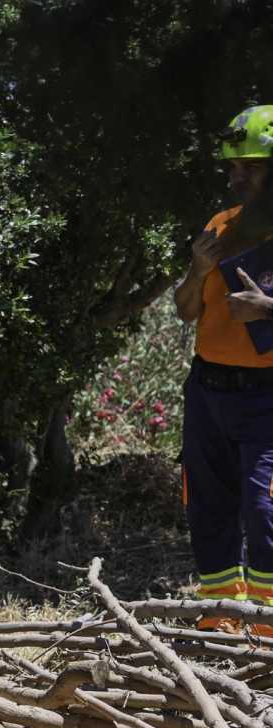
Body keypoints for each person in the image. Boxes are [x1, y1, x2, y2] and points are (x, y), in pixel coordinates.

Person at [172, 104, 273, 620]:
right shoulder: (221, 227)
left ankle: (267, 637)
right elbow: (186, 310)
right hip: (208, 390)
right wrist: (198, 268)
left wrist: (267, 309)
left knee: (265, 511)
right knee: (207, 507)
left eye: (250, 167)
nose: (236, 178)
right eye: (233, 168)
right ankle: (220, 628)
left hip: (267, 398)